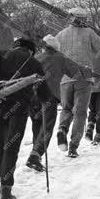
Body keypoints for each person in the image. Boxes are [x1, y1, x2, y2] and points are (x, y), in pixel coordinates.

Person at [0, 36, 51, 199]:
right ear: (30, 50)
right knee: (12, 146)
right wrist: (45, 100)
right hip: (19, 108)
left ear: (15, 46)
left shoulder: (2, 54)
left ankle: (3, 181)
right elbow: (44, 92)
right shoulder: (33, 62)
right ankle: (6, 188)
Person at [52, 8, 100, 158]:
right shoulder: (89, 33)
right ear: (84, 19)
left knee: (66, 108)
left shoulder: (61, 34)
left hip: (65, 79)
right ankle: (73, 146)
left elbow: (53, 53)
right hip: (83, 78)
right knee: (80, 112)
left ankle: (62, 129)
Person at [26, 35, 76, 172]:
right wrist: (90, 71)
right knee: (47, 127)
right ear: (56, 48)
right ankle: (35, 156)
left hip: (31, 97)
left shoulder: (35, 59)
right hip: (48, 96)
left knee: (37, 126)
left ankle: (35, 154)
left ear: (44, 47)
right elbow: (77, 72)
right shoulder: (60, 58)